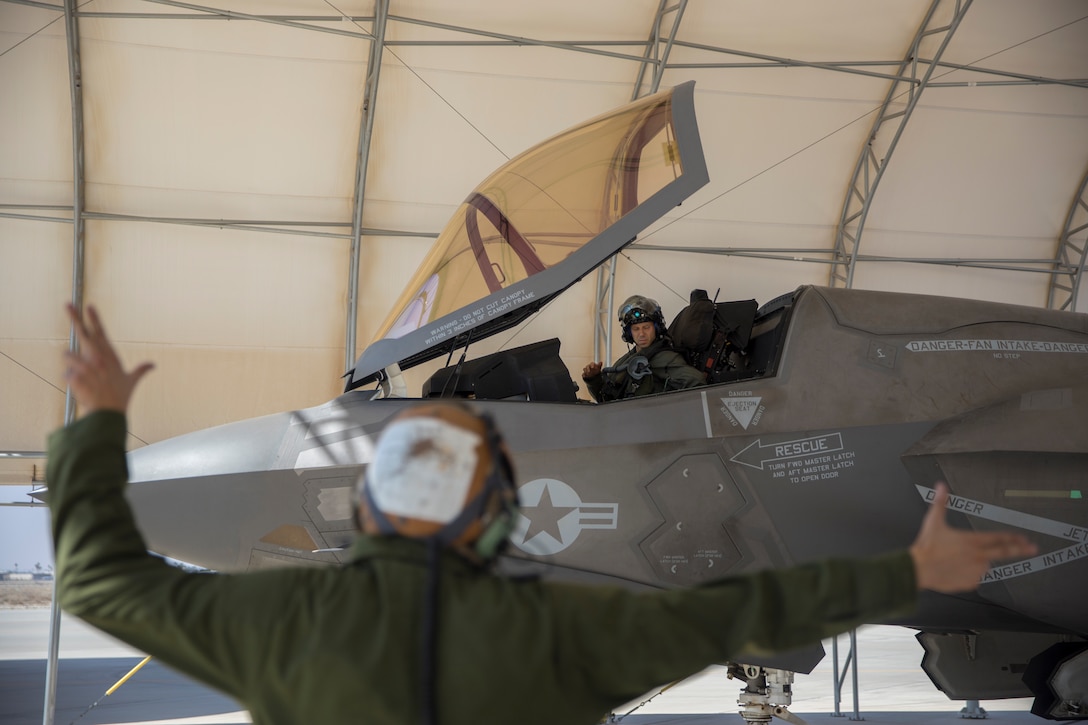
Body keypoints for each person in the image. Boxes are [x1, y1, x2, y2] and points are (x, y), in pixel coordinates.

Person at [49, 303, 1037, 725]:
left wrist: (98, 424)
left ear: (378, 504)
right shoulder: (564, 635)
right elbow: (743, 607)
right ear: (490, 514)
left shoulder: (274, 631)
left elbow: (96, 576)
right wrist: (907, 570)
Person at [582, 294, 705, 402]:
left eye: (646, 327)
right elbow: (606, 400)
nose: (641, 334)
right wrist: (593, 379)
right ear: (629, 333)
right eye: (636, 329)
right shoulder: (628, 360)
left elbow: (697, 381)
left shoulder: (665, 358)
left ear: (656, 328)